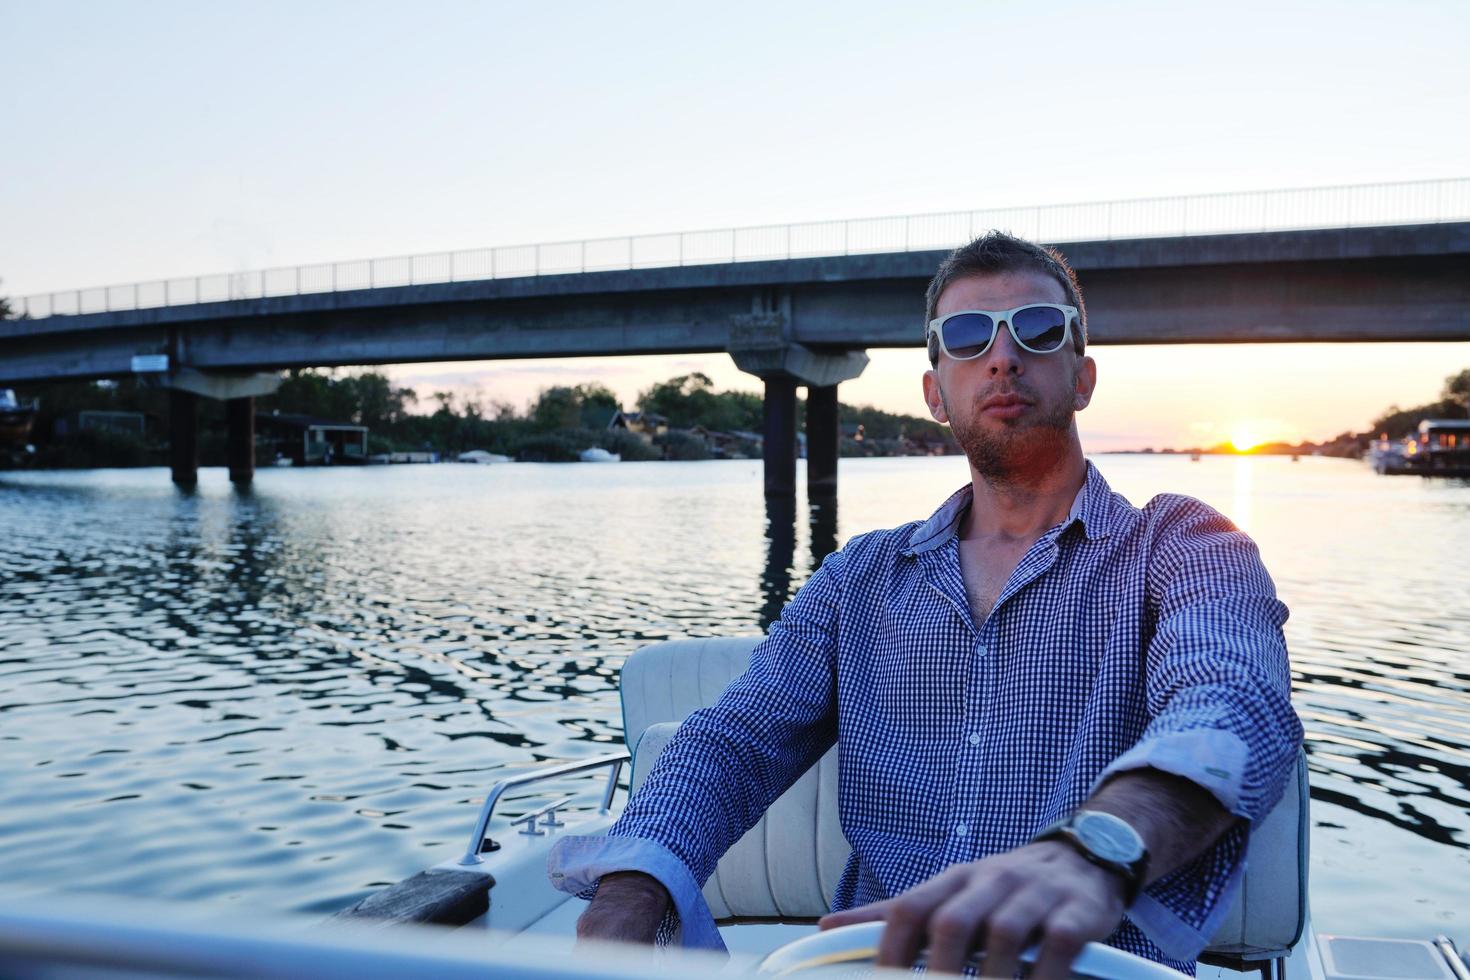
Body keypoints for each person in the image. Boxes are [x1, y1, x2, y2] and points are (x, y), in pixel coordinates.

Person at [548, 232, 1303, 978]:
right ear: (935, 393)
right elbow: (738, 740)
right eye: (968, 337)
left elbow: (1231, 699)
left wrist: (1097, 850)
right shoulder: (861, 577)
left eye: (1039, 330)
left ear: (1083, 376)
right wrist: (634, 883)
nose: (1003, 357)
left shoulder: (1184, 544)